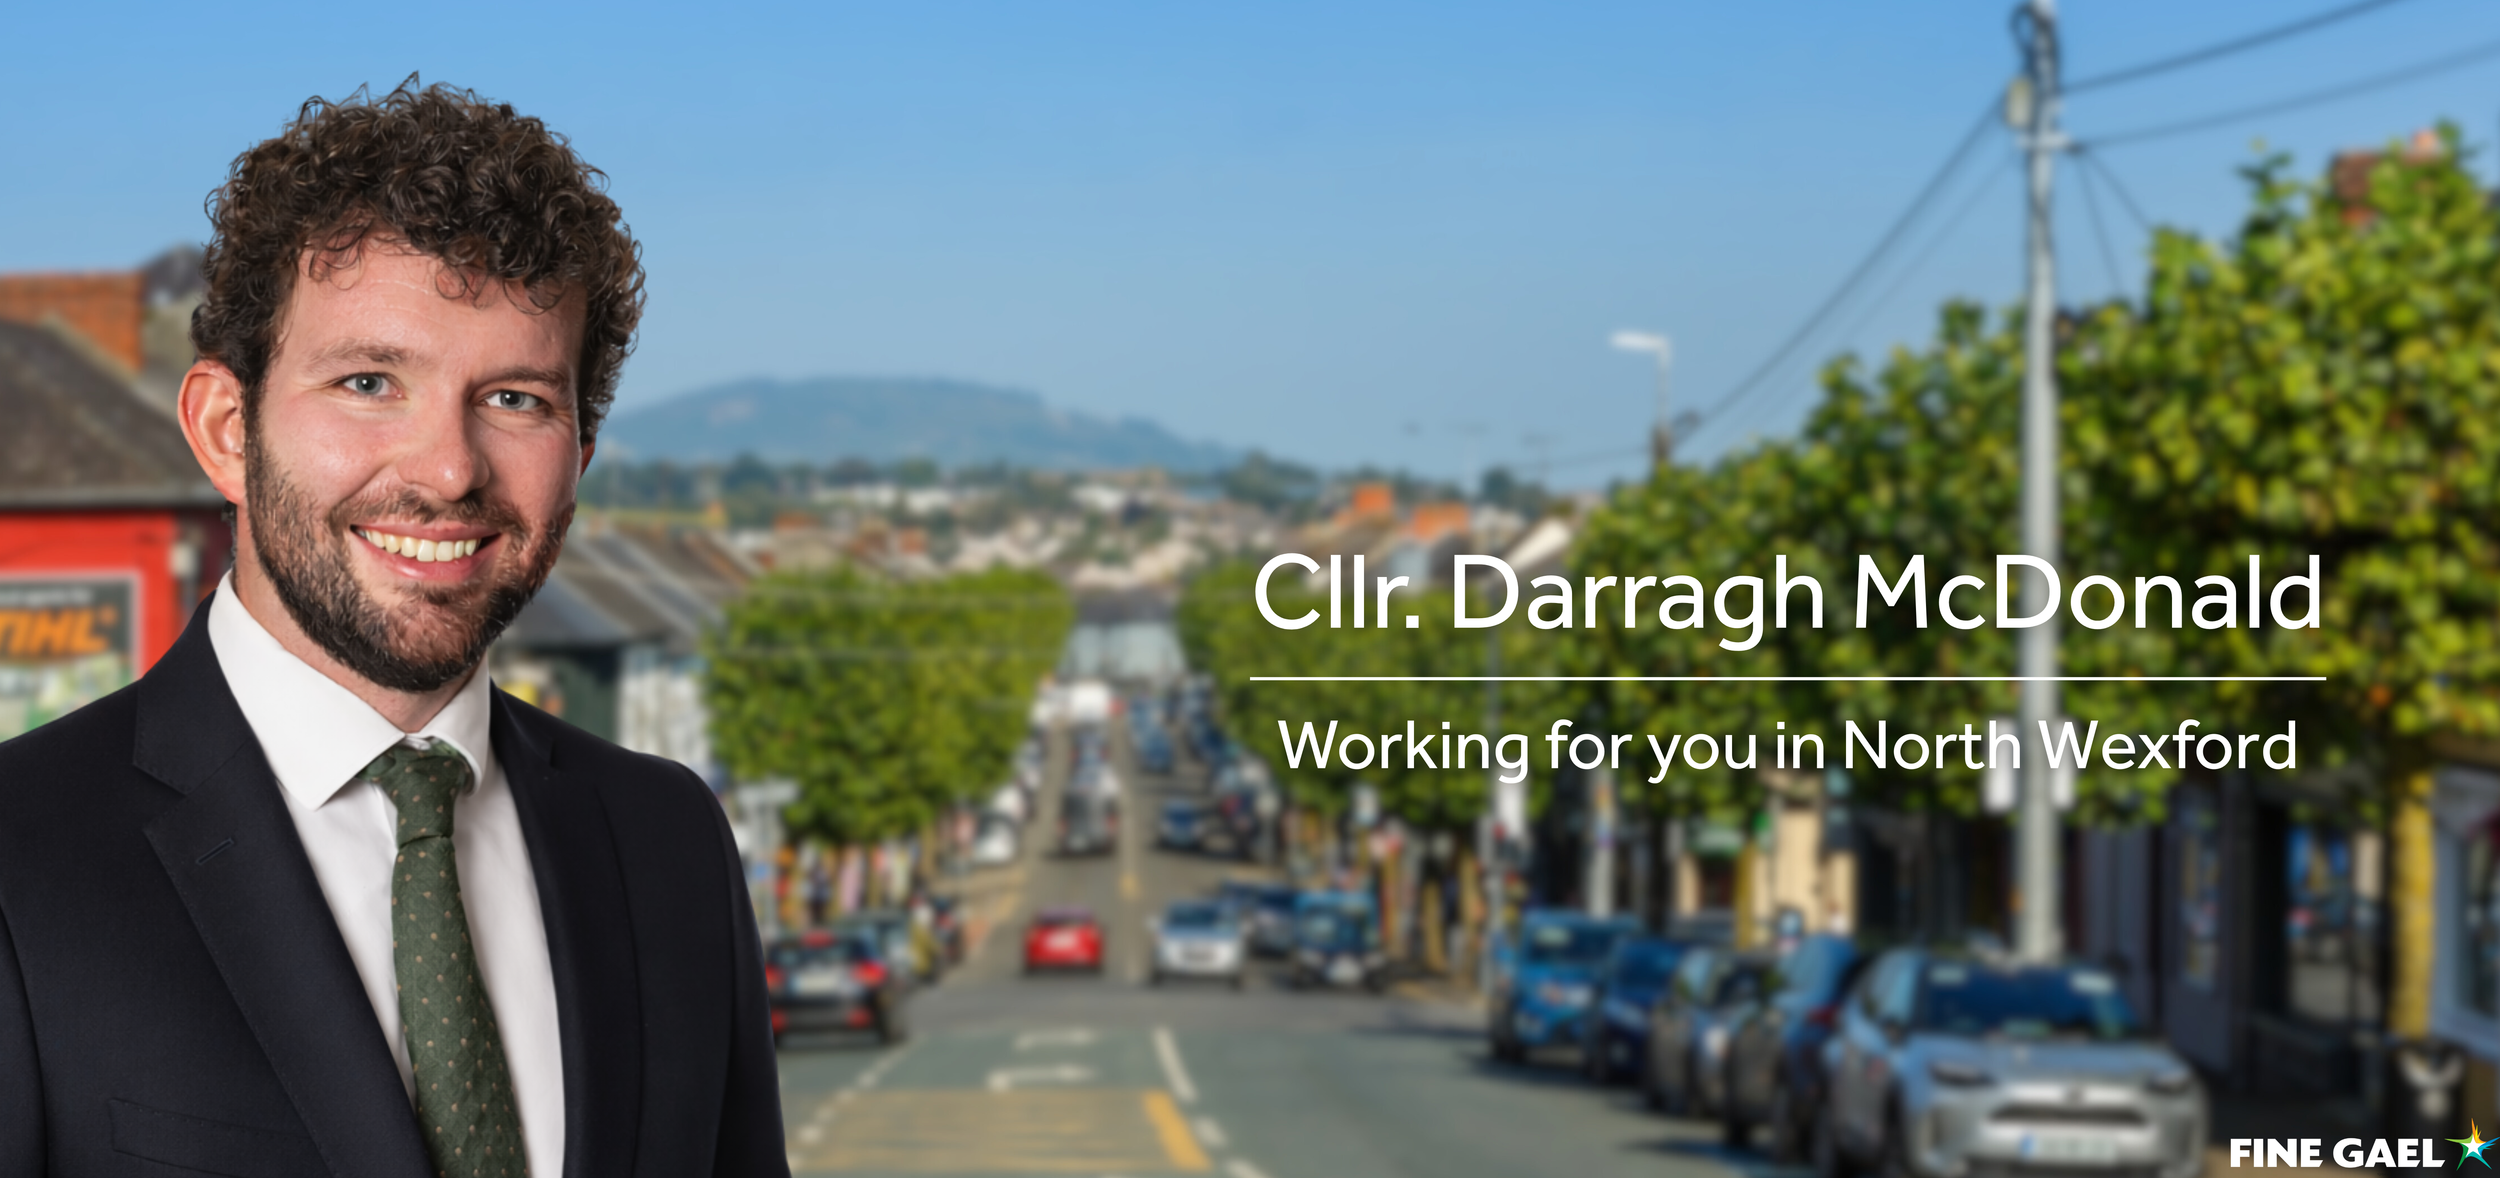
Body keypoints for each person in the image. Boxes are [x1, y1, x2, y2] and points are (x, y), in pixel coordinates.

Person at [0, 83, 787, 1176]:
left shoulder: (668, 844)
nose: (450, 468)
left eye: (515, 399)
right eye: (369, 381)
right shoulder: (20, 857)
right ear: (227, 431)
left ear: (580, 457)